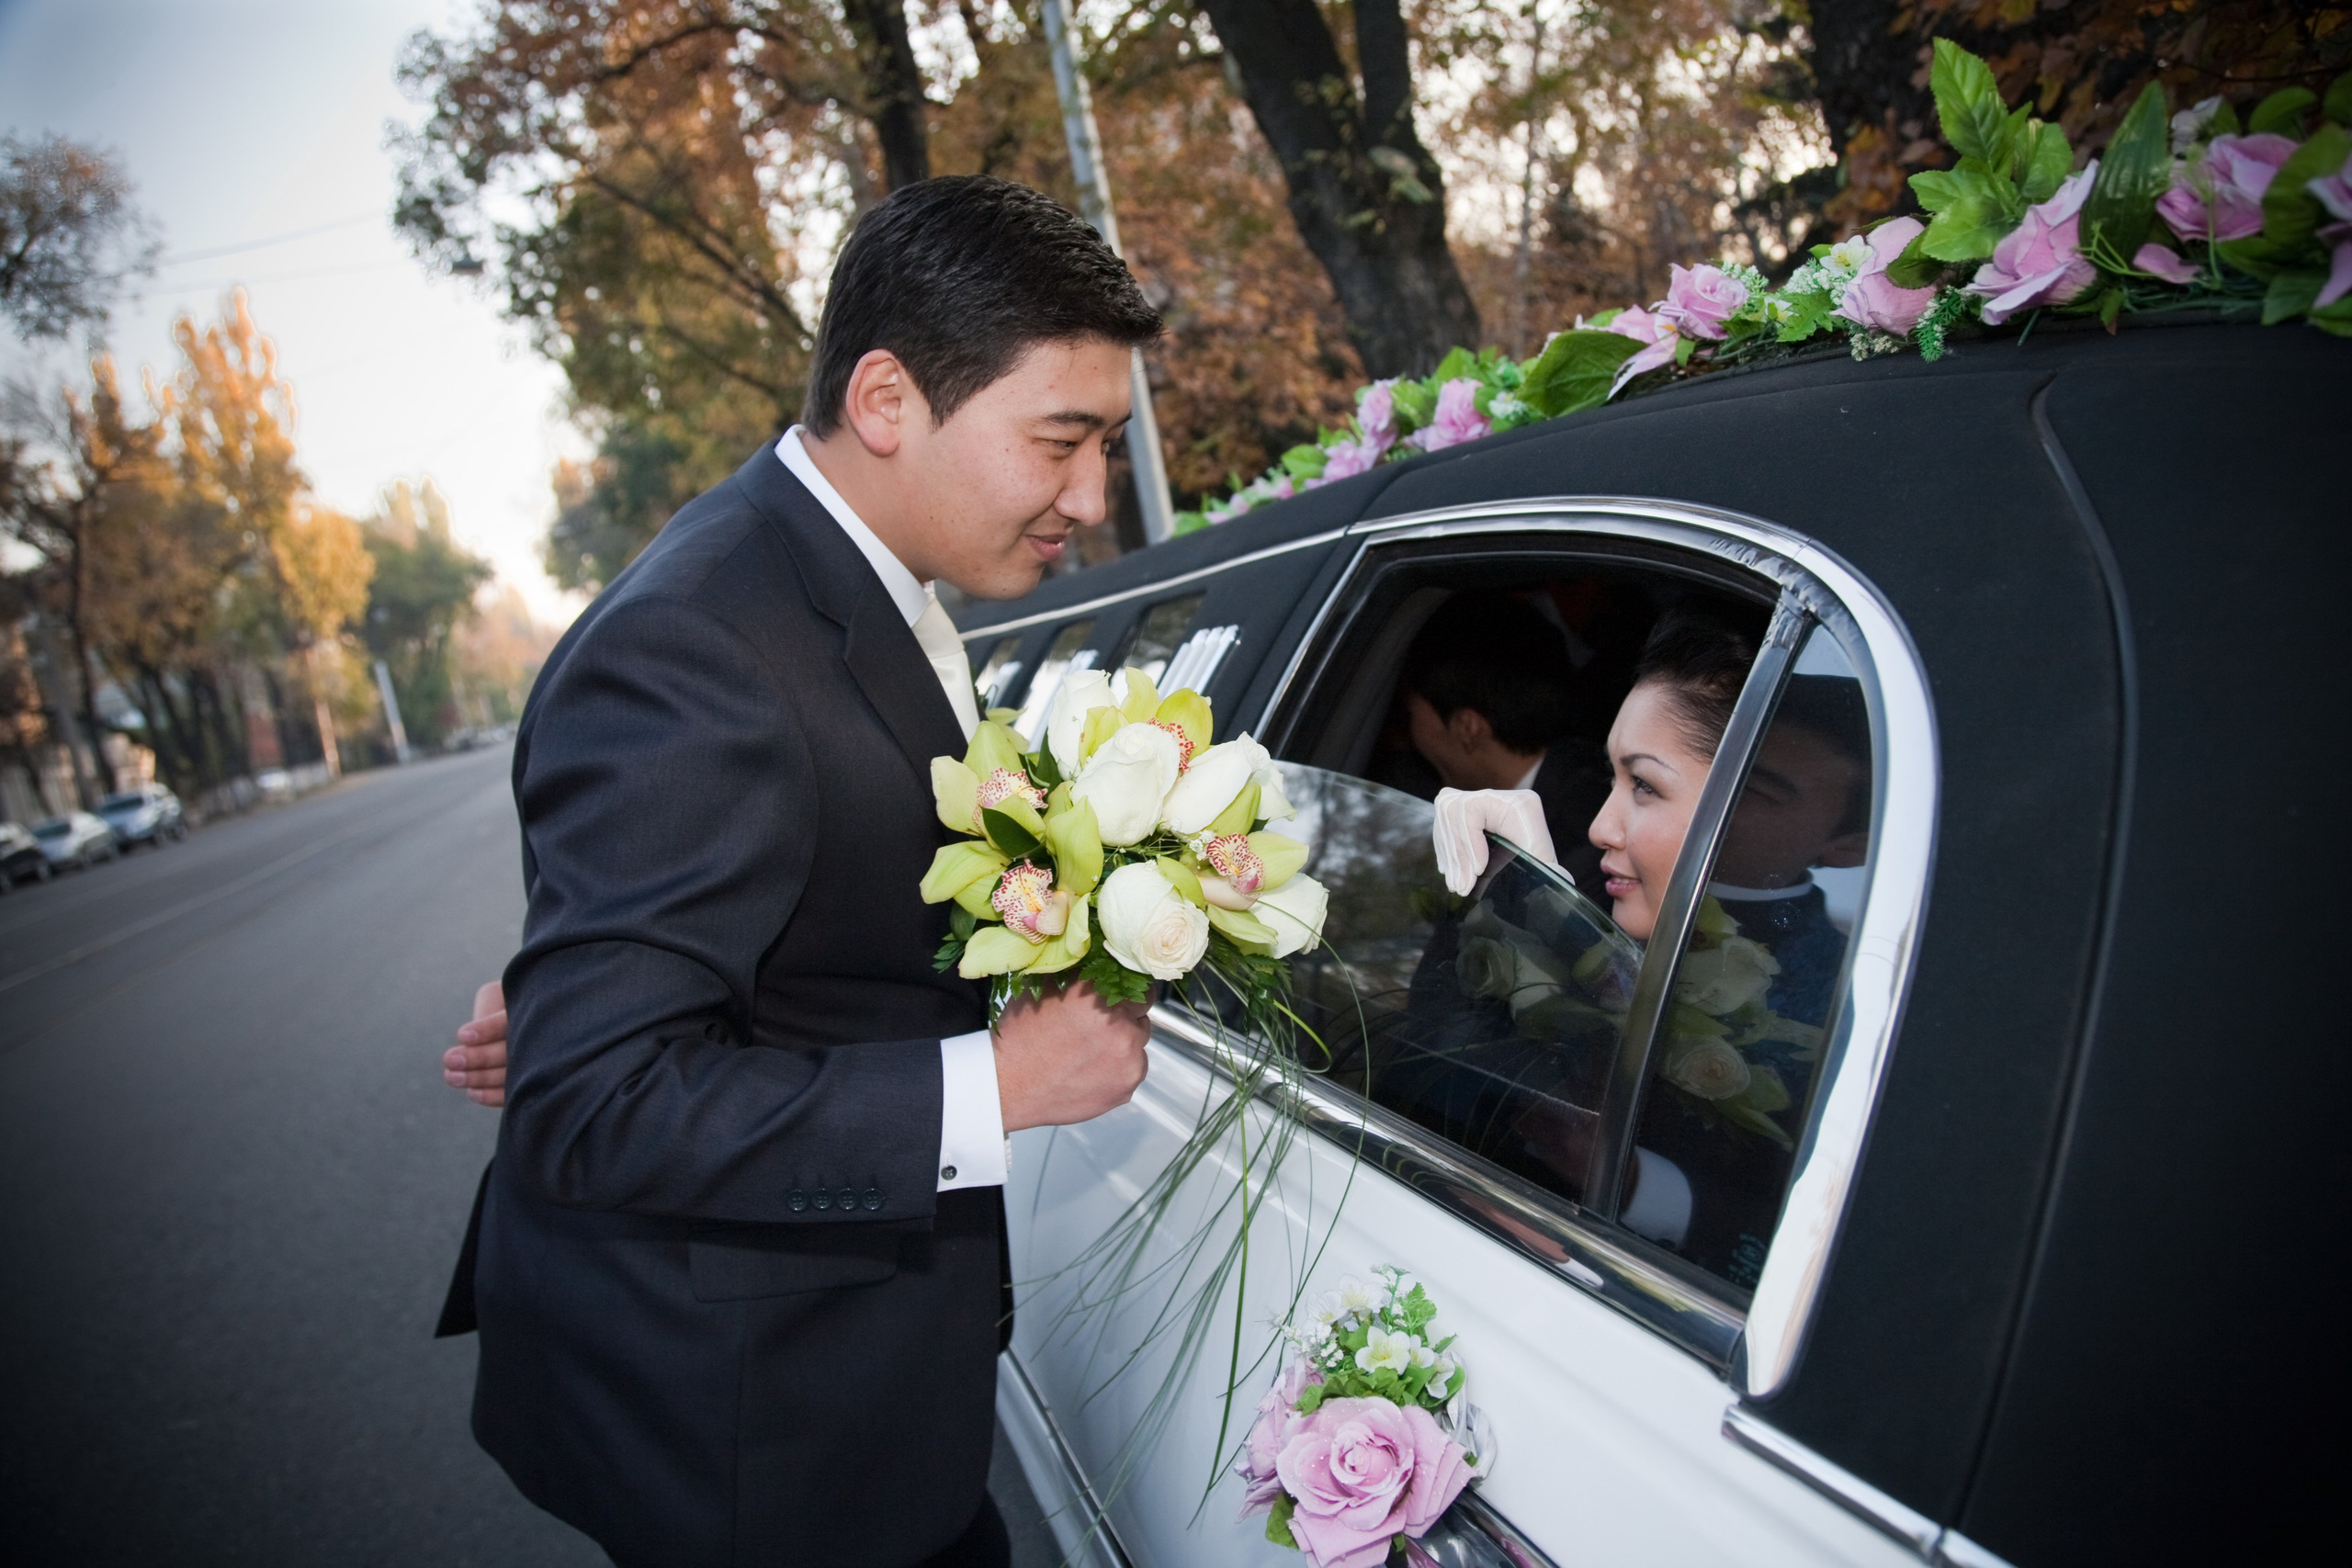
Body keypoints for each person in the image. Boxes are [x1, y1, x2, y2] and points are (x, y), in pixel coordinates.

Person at [436, 175, 1164, 1568]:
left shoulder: (851, 569)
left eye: (1108, 442)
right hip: (755, 1437)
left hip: (854, 1386)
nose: (1092, 492)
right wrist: (996, 1086)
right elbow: (592, 1100)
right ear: (888, 401)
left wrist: (635, 981)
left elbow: (774, 899)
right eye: (1062, 439)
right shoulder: (703, 641)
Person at [1582, 612, 1871, 1282]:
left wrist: (1638, 1186)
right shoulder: (1572, 883)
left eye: (1646, 786)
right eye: (1617, 776)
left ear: (1846, 844)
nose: (1601, 826)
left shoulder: (1830, 1007)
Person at [1398, 590, 1611, 890]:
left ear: (1467, 728)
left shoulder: (1582, 842)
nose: (1410, 736)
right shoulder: (1580, 779)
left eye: (1411, 714)